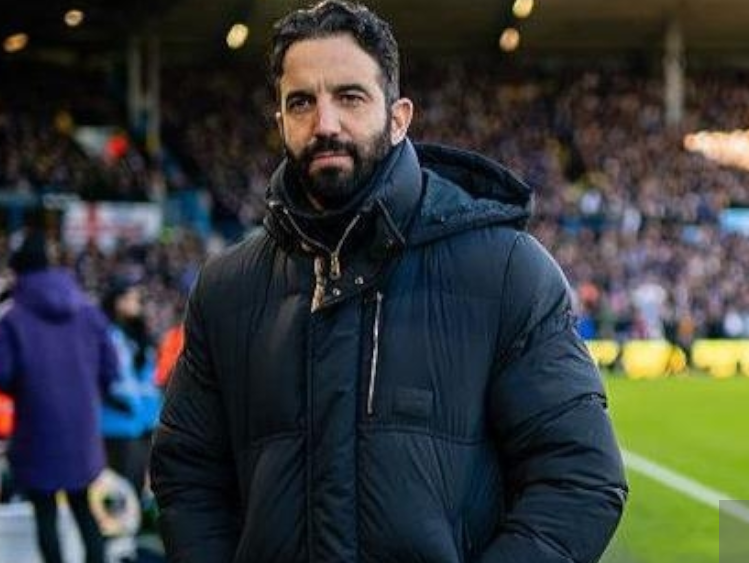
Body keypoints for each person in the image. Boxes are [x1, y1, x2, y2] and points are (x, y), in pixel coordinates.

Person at [149, 2, 627, 562]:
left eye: (350, 97)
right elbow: (187, 474)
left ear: (399, 117)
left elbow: (580, 479)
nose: (325, 123)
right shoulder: (227, 288)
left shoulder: (506, 270)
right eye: (301, 102)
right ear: (280, 122)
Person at [0, 233, 119, 563]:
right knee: (84, 509)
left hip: (36, 428)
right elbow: (112, 368)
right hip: (81, 431)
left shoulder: (12, 317)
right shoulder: (87, 310)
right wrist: (86, 393)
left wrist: (29, 388)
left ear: (18, 272)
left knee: (45, 515)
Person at [99, 280, 160, 501]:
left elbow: (146, 382)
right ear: (118, 302)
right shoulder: (107, 334)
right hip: (114, 422)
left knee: (134, 485)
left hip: (142, 423)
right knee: (117, 489)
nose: (138, 304)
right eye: (132, 299)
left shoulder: (138, 337)